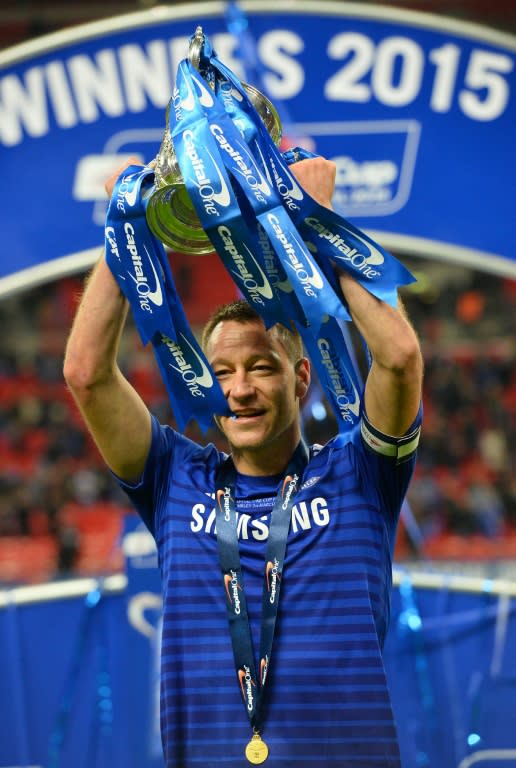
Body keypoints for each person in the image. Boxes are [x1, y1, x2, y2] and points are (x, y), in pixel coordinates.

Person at [64, 155, 423, 768]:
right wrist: (128, 225)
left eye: (261, 367)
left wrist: (316, 224)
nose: (239, 389)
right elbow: (86, 374)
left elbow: (399, 358)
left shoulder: (359, 473)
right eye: (220, 373)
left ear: (300, 377)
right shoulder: (175, 479)